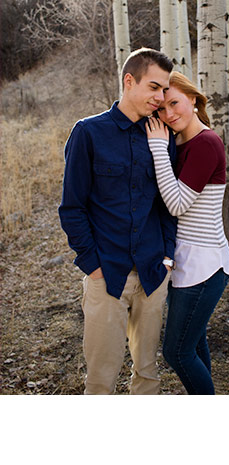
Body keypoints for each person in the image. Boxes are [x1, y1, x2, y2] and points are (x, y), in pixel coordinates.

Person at [59, 47, 176, 394]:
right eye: (154, 87)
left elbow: (167, 204)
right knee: (100, 380)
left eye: (164, 90)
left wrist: (167, 256)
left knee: (148, 376)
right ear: (129, 81)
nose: (160, 97)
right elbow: (72, 208)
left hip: (154, 274)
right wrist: (92, 265)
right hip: (107, 276)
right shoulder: (88, 133)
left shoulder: (161, 137)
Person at [145, 71, 229, 395]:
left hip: (204, 265)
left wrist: (156, 148)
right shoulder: (179, 143)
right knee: (193, 344)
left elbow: (178, 205)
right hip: (186, 261)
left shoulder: (205, 143)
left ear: (193, 99)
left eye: (175, 103)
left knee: (176, 352)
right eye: (161, 110)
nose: (169, 114)